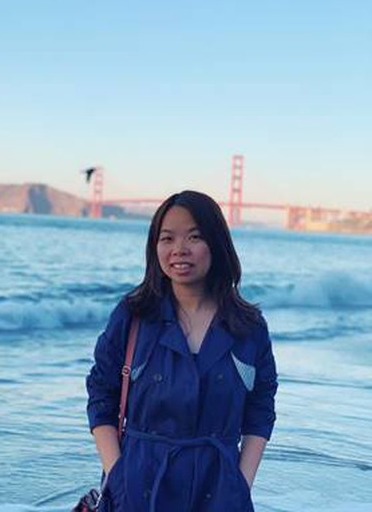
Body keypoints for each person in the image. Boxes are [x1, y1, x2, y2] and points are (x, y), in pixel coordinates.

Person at [86, 191, 277, 512]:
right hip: (138, 488)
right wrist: (119, 478)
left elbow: (260, 410)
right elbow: (101, 396)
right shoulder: (133, 317)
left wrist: (240, 486)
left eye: (194, 236)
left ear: (217, 243)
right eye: (167, 238)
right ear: (154, 246)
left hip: (218, 491)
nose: (179, 249)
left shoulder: (248, 327)